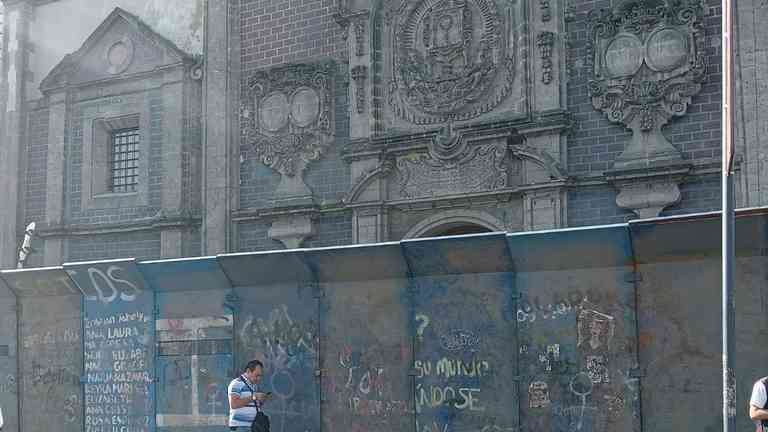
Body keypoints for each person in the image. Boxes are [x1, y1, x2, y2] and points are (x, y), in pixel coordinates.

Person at [228, 359, 268, 431]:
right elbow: (234, 404)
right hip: (241, 426)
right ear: (248, 371)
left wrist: (260, 400)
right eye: (257, 375)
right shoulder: (237, 383)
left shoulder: (254, 385)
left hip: (253, 426)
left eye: (260, 376)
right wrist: (254, 397)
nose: (259, 378)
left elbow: (251, 403)